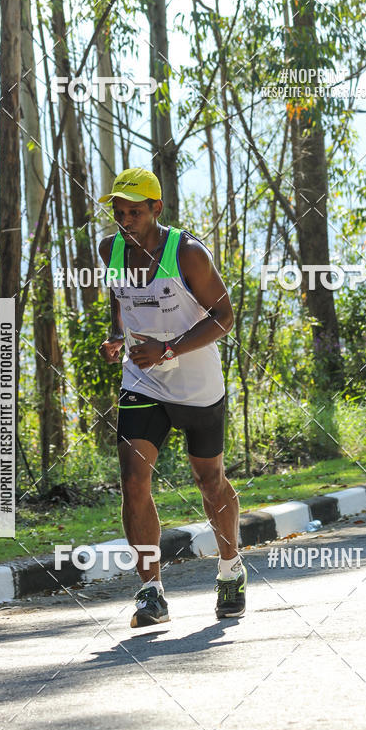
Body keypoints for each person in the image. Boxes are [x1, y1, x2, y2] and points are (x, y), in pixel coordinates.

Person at [98, 167, 247, 628]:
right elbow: (121, 301)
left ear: (156, 209)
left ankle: (230, 569)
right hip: (143, 380)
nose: (126, 220)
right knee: (133, 481)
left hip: (197, 382)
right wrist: (117, 336)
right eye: (119, 212)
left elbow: (225, 316)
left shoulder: (188, 254)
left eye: (135, 212)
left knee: (210, 482)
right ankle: (150, 592)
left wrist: (169, 348)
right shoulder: (111, 250)